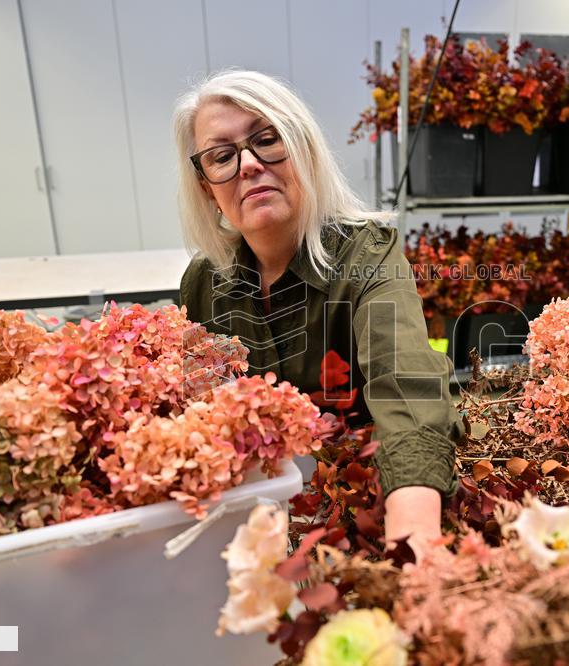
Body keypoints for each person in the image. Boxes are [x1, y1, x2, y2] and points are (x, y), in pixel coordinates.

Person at [173, 70, 462, 556]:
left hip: (357, 512)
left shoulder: (368, 257)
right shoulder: (203, 284)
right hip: (253, 529)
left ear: (303, 149)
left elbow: (407, 385)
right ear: (206, 187)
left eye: (267, 139)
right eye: (222, 156)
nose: (249, 165)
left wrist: (415, 543)